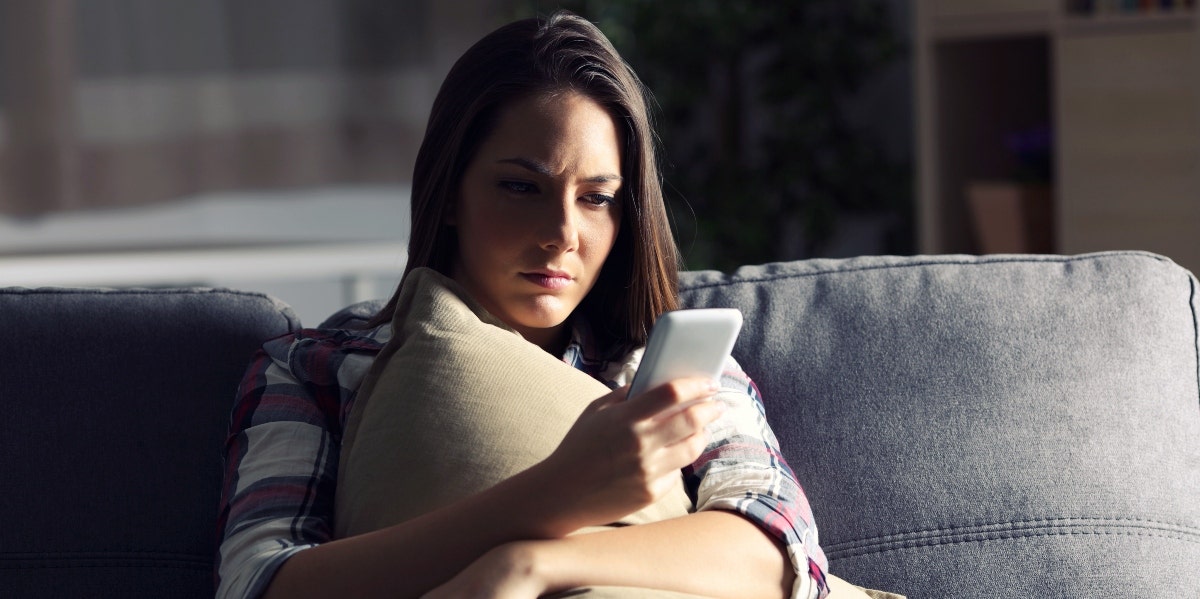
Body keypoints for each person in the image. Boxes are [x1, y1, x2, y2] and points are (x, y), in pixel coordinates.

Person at [216, 11, 829, 599]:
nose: (562, 233)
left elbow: (782, 556)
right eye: (521, 187)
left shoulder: (660, 371)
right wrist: (556, 494)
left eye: (596, 198)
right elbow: (262, 585)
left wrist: (528, 564)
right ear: (449, 193)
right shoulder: (316, 368)